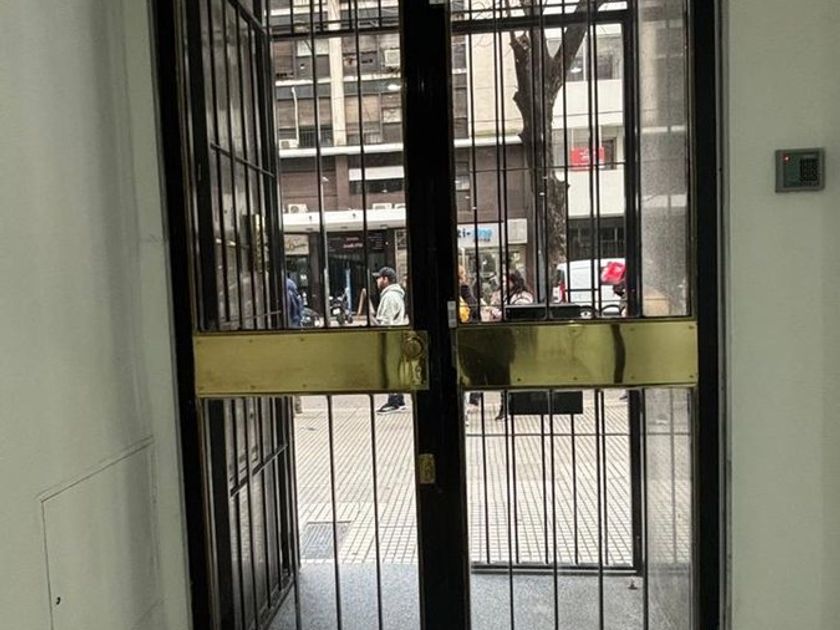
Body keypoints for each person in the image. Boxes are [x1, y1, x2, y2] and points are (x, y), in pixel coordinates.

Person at [373, 267, 408, 414]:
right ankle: (399, 399)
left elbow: (386, 322)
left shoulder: (389, 297)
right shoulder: (396, 295)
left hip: (391, 339)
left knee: (391, 369)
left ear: (385, 279)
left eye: (379, 278)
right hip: (397, 336)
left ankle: (394, 401)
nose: (377, 281)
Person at [459, 266, 482, 409]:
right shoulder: (466, 291)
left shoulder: (462, 291)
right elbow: (474, 309)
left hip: (463, 334)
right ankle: (474, 396)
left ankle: (469, 401)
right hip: (470, 333)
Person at [286, 277, 304, 413]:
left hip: (287, 332)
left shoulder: (282, 285)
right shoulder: (290, 284)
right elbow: (299, 311)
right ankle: (297, 404)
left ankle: (290, 407)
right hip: (295, 331)